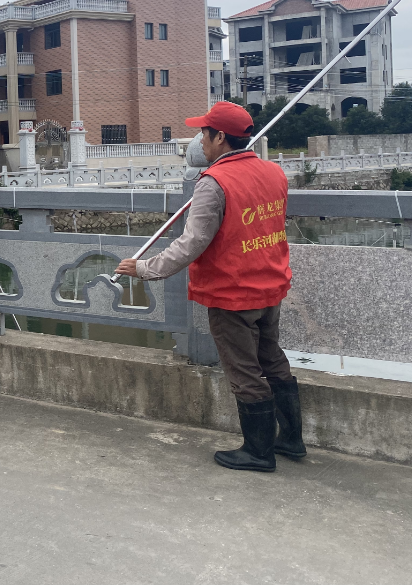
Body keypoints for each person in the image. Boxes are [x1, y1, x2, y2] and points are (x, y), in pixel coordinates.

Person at [114, 101, 305, 472]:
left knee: (244, 370)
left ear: (220, 137)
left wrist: (145, 269)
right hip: (270, 287)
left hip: (233, 293)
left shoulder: (214, 182)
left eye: (204, 133)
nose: (200, 140)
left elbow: (192, 243)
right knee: (272, 358)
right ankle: (291, 439)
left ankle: (259, 451)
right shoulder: (273, 173)